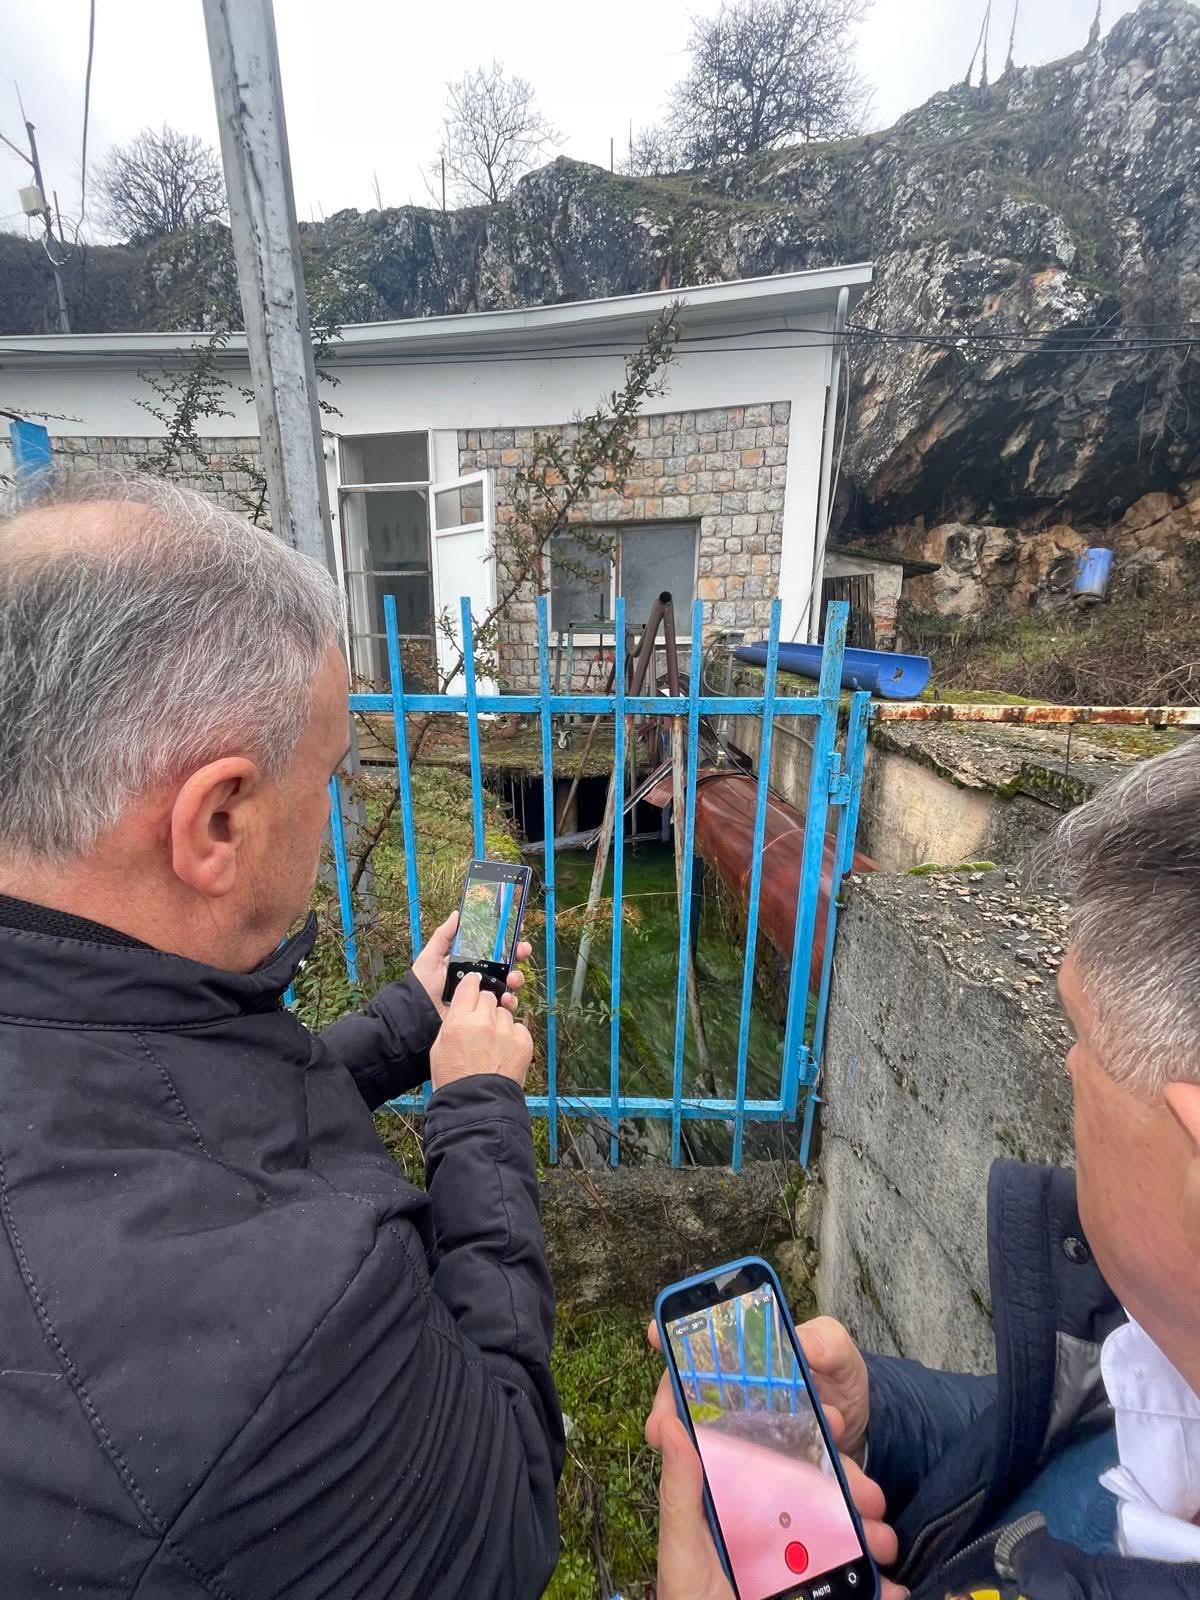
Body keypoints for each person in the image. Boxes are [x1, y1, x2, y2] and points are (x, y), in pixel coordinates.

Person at [0, 477, 563, 1598]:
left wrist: (412, 1019)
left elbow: (185, 1112)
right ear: (218, 820)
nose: (331, 806)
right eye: (328, 775)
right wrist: (478, 1114)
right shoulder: (298, 1336)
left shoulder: (71, 1006)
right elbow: (505, 1510)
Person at [647, 735, 1200, 1600]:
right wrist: (877, 1413)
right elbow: (1035, 1438)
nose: (1068, 1066)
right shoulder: (1158, 1358)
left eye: (1081, 1037)